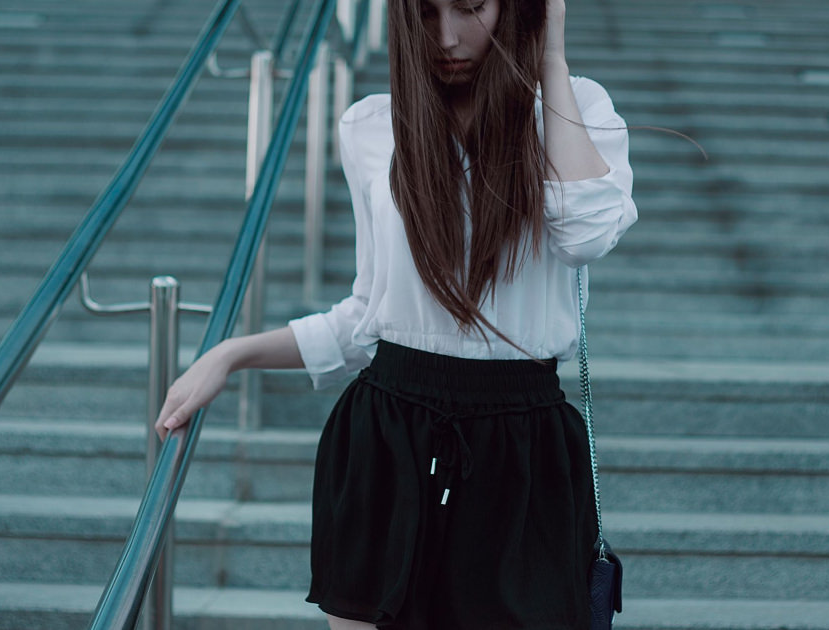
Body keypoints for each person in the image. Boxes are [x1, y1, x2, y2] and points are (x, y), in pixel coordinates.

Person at [154, 0, 637, 626]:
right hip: (388, 438)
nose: (447, 36)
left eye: (470, 9)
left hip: (523, 448)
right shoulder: (370, 127)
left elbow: (587, 234)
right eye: (427, 12)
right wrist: (231, 355)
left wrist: (549, 57)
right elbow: (368, 315)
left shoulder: (576, 110)